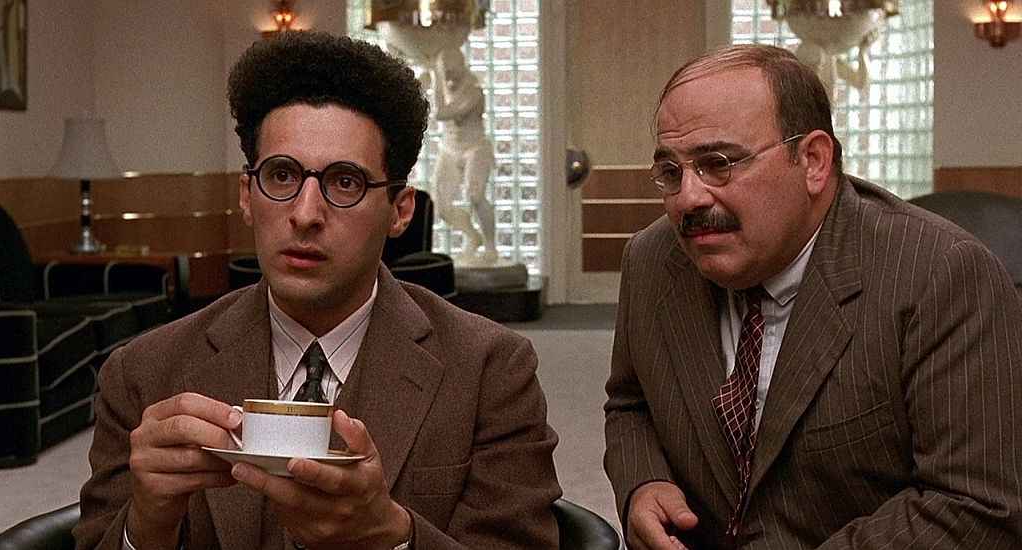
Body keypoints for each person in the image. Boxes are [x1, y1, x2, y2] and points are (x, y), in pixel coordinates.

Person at [75, 31, 561, 550]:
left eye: (345, 181)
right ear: (247, 196)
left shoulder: (490, 371)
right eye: (282, 175)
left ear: (400, 211)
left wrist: (393, 537)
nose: (305, 214)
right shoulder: (143, 374)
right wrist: (145, 527)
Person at [603, 44, 1022, 549]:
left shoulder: (941, 276)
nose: (688, 198)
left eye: (718, 163)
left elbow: (974, 506)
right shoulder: (652, 260)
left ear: (813, 162)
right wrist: (643, 483)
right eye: (672, 172)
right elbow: (631, 403)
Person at [430, 46, 498, 266]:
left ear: (461, 66)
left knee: (475, 196)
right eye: (444, 72)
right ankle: (472, 236)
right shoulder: (446, 83)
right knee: (441, 206)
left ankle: (490, 247)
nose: (448, 77)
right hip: (450, 148)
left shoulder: (473, 91)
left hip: (475, 147)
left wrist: (435, 78)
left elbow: (442, 113)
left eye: (450, 71)